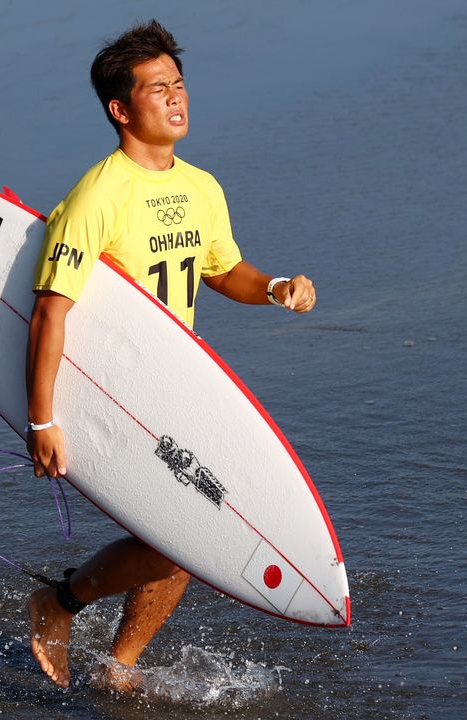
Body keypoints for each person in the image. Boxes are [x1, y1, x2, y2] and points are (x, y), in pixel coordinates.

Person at [23, 20, 316, 690]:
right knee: (183, 536)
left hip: (176, 387)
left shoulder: (201, 188)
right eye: (157, 89)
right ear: (121, 110)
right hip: (112, 392)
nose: (176, 99)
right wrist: (42, 421)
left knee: (187, 539)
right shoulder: (97, 196)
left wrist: (273, 288)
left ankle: (115, 668)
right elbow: (50, 309)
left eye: (178, 85)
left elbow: (220, 271)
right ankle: (60, 604)